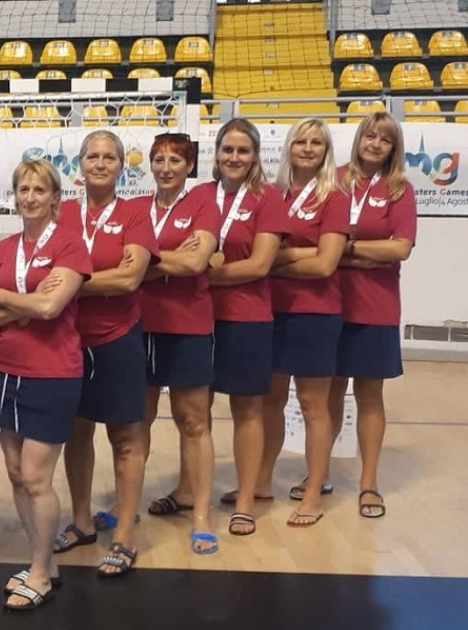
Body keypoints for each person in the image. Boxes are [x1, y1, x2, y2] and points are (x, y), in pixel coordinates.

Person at [0, 159, 91, 610]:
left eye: (40, 190)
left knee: (37, 476)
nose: (30, 197)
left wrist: (5, 297)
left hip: (52, 373)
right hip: (6, 371)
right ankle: (42, 562)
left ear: (55, 196)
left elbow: (50, 309)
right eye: (23, 189)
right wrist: (26, 302)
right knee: (16, 473)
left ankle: (40, 573)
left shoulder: (70, 245)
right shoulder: (2, 249)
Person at [54, 130, 157, 578]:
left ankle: (124, 535)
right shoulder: (61, 214)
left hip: (118, 338)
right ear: (79, 164)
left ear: (121, 166)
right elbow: (43, 271)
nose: (100, 163)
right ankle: (81, 523)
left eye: (109, 157)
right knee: (76, 434)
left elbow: (130, 278)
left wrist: (71, 283)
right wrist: (98, 279)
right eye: (92, 156)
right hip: (67, 339)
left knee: (126, 438)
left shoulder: (135, 213)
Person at [200, 119, 289, 537]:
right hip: (198, 318)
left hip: (247, 318)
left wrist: (199, 276)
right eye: (227, 149)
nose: (234, 157)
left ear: (255, 156)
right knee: (194, 410)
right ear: (217, 153)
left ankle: (246, 501)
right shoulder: (200, 195)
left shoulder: (267, 198)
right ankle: (189, 489)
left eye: (243, 150)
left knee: (247, 410)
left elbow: (259, 265)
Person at [133, 134, 221, 554]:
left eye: (175, 160)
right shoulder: (135, 208)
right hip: (139, 325)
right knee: (137, 421)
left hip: (188, 325)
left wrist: (147, 260)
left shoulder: (204, 205)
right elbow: (120, 263)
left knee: (194, 421)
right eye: (158, 160)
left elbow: (196, 262)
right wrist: (170, 260)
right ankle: (125, 506)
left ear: (189, 166)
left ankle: (201, 516)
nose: (166, 168)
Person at [262, 118, 351, 528]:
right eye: (301, 141)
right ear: (289, 146)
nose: (308, 148)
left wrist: (274, 261)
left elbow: (325, 264)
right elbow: (259, 255)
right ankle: (261, 481)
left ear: (326, 150)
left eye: (317, 142)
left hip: (316, 313)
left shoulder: (334, 197)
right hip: (270, 311)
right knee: (269, 401)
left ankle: (314, 491)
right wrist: (304, 252)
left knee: (314, 406)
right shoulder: (271, 194)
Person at [326, 113, 416, 519]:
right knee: (328, 392)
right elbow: (315, 242)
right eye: (369, 135)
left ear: (393, 147)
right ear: (358, 138)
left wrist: (345, 249)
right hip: (328, 302)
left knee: (369, 394)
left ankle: (368, 482)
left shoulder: (399, 189)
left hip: (376, 307)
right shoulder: (333, 180)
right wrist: (369, 251)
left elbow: (400, 249)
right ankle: (319, 473)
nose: (375, 143)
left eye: (385, 139)